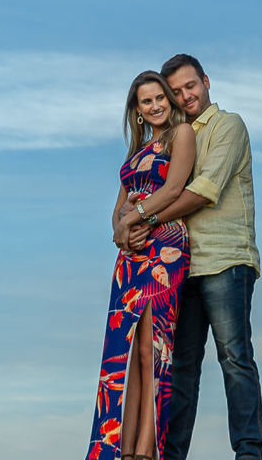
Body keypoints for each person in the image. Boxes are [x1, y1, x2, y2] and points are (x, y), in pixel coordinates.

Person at [119, 53, 262, 460]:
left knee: (234, 357)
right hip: (178, 265)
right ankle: (171, 454)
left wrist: (145, 219)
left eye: (191, 86)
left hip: (224, 259)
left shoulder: (227, 126)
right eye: (177, 91)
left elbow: (202, 191)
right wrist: (132, 221)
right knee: (180, 366)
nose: (186, 96)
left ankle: (248, 452)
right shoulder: (169, 139)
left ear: (206, 82)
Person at [87, 70, 197, 460]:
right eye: (146, 101)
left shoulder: (182, 135)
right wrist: (121, 231)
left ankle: (147, 450)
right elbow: (117, 211)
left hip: (165, 248)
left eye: (159, 98)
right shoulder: (136, 152)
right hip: (130, 254)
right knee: (126, 350)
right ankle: (122, 448)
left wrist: (132, 221)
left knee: (153, 348)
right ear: (137, 110)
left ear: (170, 99)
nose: (155, 106)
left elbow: (174, 188)